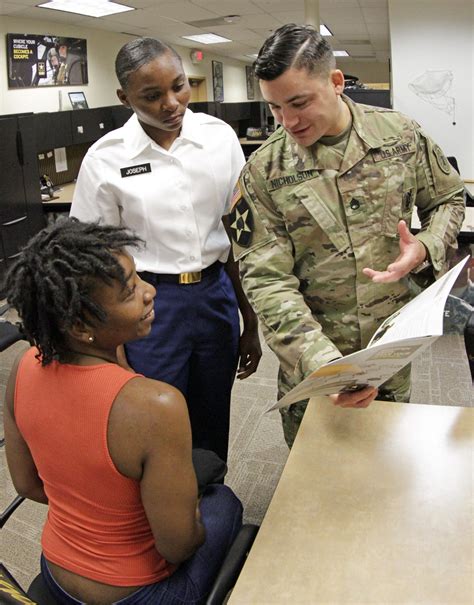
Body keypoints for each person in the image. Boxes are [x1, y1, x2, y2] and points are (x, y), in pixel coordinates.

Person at [229, 24, 465, 447]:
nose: (288, 121)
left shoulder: (402, 137)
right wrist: (326, 368)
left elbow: (449, 198)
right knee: (317, 482)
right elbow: (266, 280)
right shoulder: (264, 172)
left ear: (336, 83)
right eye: (275, 108)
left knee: (393, 464)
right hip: (313, 362)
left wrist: (425, 247)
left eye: (299, 102)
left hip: (390, 351)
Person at [3, 218, 243, 605]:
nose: (150, 291)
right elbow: (178, 546)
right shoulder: (155, 405)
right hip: (137, 594)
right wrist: (190, 512)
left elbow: (28, 485)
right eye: (130, 290)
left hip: (56, 571)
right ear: (82, 327)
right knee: (225, 502)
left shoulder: (24, 366)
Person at [70, 38, 261, 462]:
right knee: (156, 418)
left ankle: (211, 506)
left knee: (212, 415)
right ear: (124, 98)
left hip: (216, 293)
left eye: (178, 87)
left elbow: (235, 234)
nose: (171, 103)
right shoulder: (106, 159)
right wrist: (111, 345)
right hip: (150, 304)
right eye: (151, 96)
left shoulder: (219, 138)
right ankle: (164, 514)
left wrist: (249, 319)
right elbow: (94, 258)